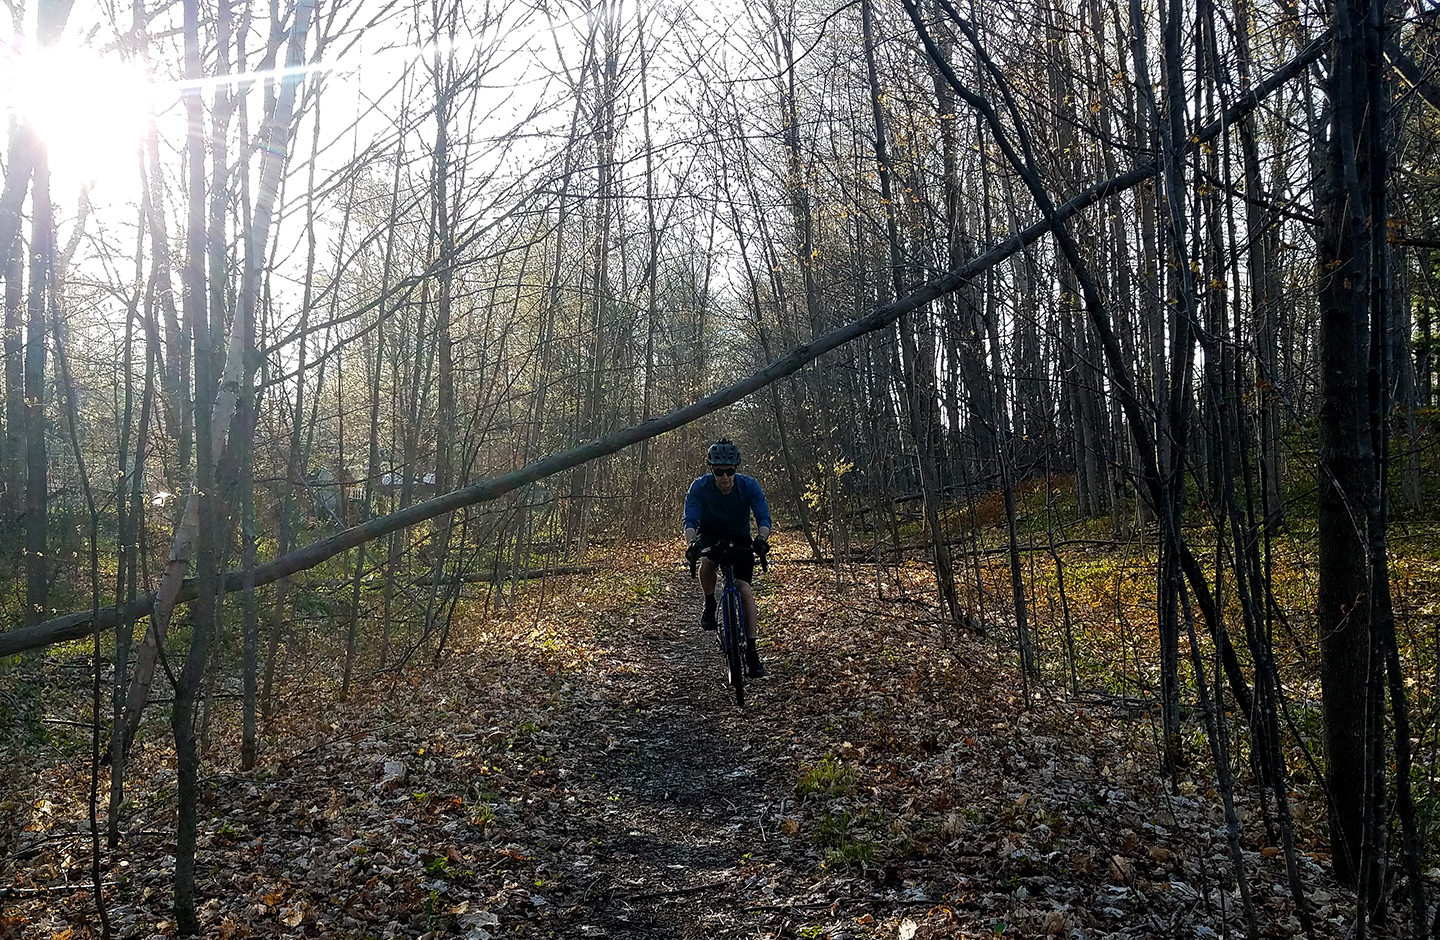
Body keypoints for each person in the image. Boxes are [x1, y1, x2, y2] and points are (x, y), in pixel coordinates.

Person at [683, 439, 772, 678]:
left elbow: (763, 517)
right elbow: (690, 519)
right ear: (711, 469)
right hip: (710, 535)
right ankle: (710, 602)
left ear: (736, 469)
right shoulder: (699, 487)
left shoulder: (748, 486)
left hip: (740, 538)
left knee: (744, 591)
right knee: (707, 562)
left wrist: (761, 539)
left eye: (730, 471)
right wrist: (692, 543)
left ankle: (751, 650)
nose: (725, 477)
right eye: (719, 471)